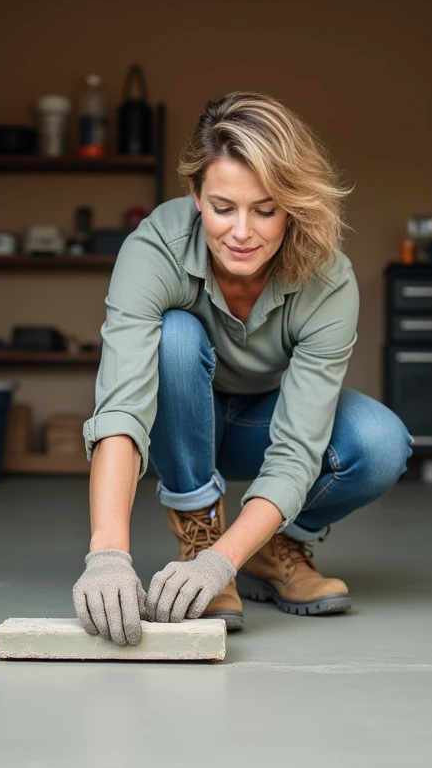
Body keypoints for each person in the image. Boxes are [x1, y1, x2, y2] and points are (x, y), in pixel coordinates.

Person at [72, 91, 413, 646]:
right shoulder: (155, 247)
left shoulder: (328, 279)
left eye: (265, 210)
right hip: (181, 422)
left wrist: (221, 563)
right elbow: (122, 408)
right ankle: (199, 531)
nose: (241, 233)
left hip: (264, 427)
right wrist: (107, 552)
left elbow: (297, 450)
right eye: (223, 207)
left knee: (380, 442)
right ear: (195, 195)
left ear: (292, 205)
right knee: (175, 338)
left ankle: (262, 550)